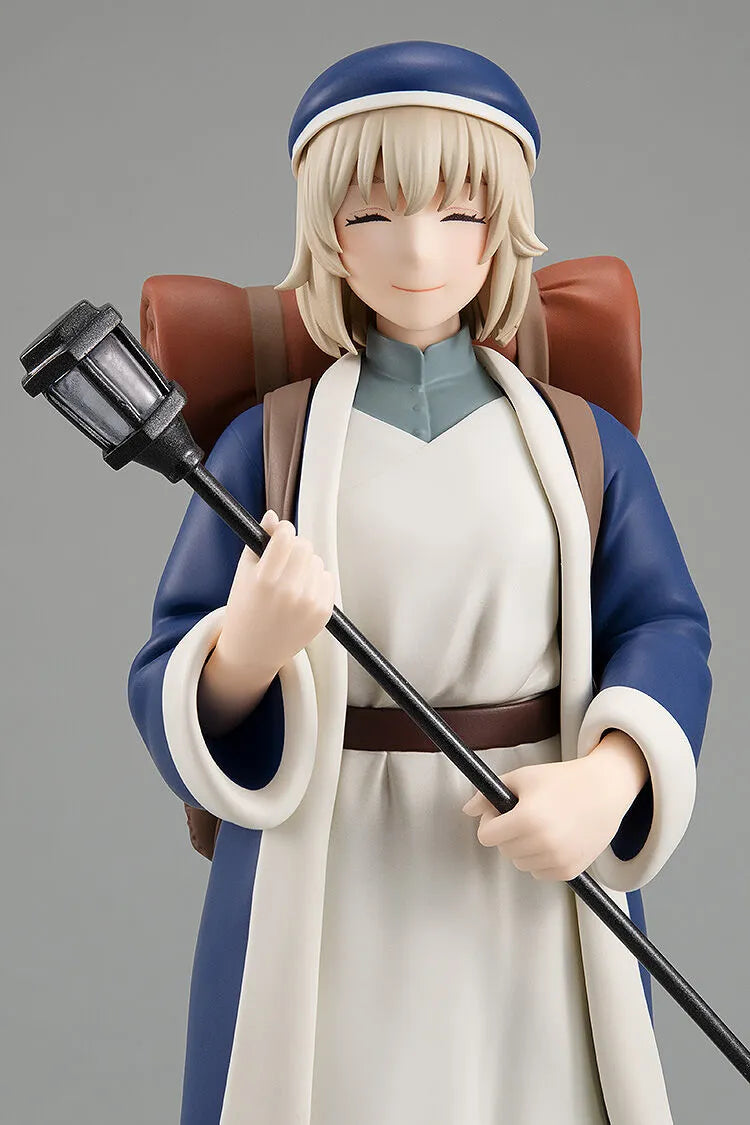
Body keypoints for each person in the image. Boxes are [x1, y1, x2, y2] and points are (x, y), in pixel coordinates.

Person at [128, 40, 712, 1125]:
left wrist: (610, 776)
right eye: (373, 214)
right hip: (329, 857)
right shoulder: (272, 447)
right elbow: (169, 661)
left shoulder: (583, 446)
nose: (416, 250)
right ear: (326, 233)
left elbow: (664, 628)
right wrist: (242, 654)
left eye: (458, 213)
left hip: (530, 846)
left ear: (503, 227)